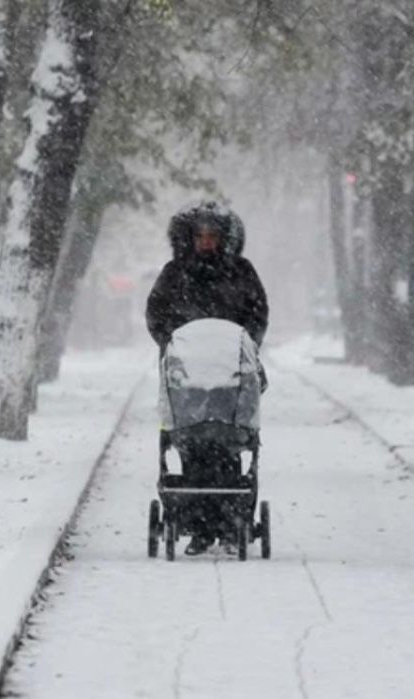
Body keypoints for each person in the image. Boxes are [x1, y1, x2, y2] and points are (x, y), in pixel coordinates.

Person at [146, 201, 269, 556]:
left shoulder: (241, 273)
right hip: (188, 374)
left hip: (230, 372)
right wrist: (172, 343)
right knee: (193, 450)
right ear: (189, 238)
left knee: (229, 450)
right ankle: (200, 527)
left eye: (213, 236)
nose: (206, 242)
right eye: (200, 236)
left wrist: (247, 345)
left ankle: (230, 526)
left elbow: (258, 312)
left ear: (224, 239)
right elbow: (156, 314)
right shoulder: (174, 274)